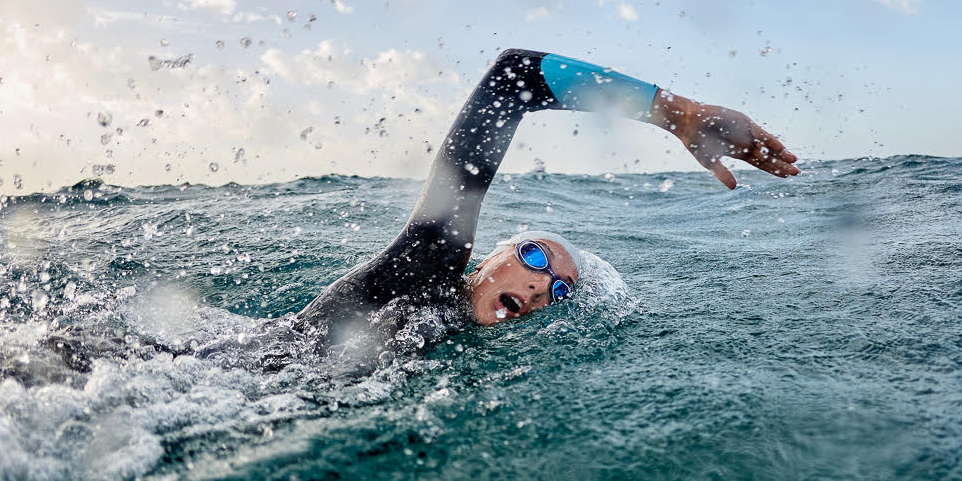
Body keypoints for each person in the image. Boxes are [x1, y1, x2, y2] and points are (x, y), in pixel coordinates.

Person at [293, 48, 800, 357]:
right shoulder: (424, 271)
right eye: (533, 256)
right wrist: (678, 114)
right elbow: (512, 78)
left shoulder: (460, 349)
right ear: (486, 259)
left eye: (559, 290)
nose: (540, 285)